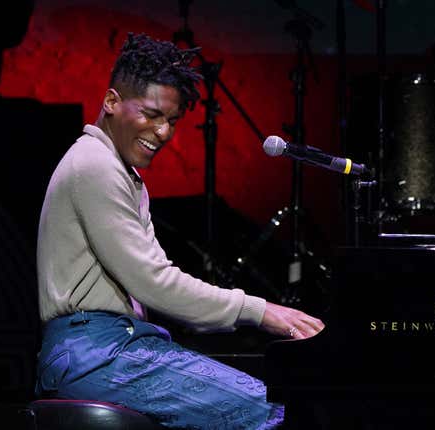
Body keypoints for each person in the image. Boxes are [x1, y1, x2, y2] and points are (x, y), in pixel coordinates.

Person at [34, 32, 325, 429]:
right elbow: (155, 283)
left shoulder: (122, 173)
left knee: (263, 397)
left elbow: (154, 278)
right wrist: (258, 310)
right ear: (111, 101)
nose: (164, 132)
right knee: (273, 412)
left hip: (113, 347)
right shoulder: (95, 166)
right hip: (96, 353)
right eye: (152, 115)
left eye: (171, 121)